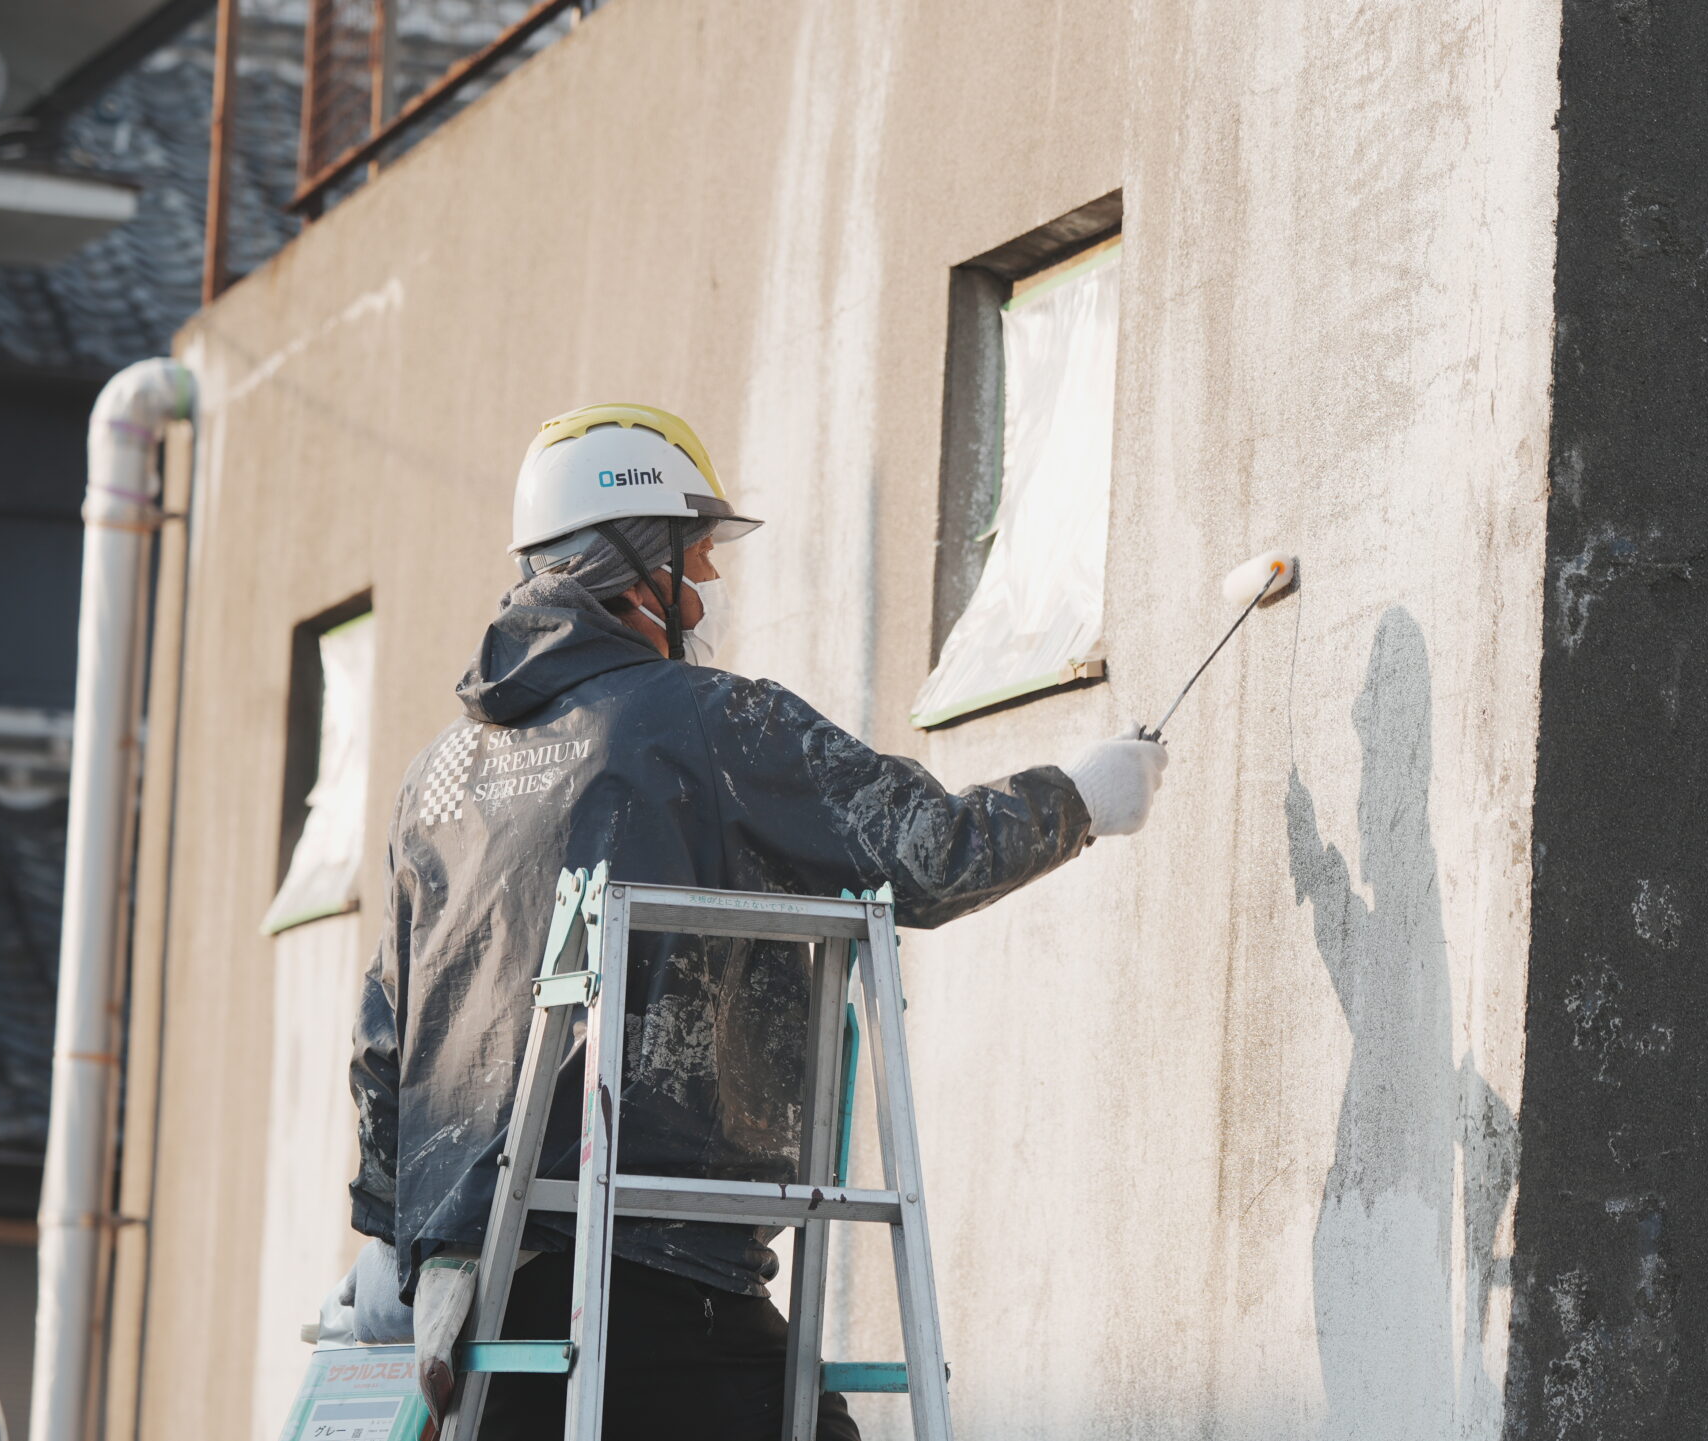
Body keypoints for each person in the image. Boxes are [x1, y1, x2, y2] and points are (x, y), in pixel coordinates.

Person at [328, 402, 1167, 1440]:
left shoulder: (438, 777)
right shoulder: (704, 722)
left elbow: (382, 1042)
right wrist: (1082, 797)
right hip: (664, 1281)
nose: (711, 583)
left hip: (482, 1320)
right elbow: (932, 852)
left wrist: (392, 1233)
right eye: (696, 553)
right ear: (634, 560)